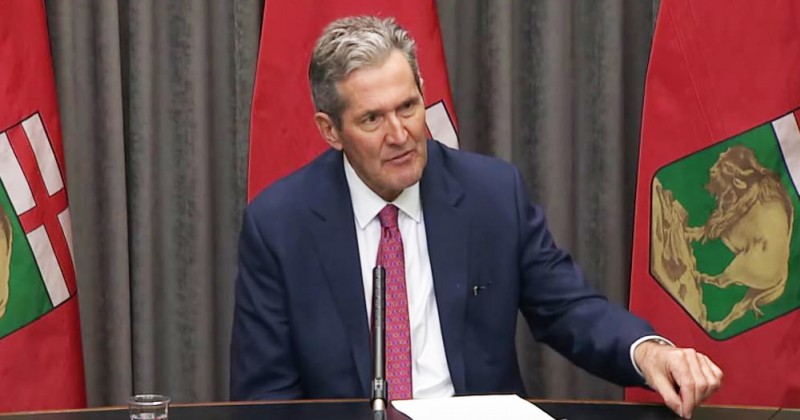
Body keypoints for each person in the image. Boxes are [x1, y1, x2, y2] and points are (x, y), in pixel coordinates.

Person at [230, 15, 722, 419]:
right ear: (330, 130)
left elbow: (569, 309)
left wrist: (650, 351)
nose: (400, 134)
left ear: (424, 92)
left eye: (408, 106)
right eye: (372, 119)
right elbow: (265, 399)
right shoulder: (280, 226)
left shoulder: (491, 193)